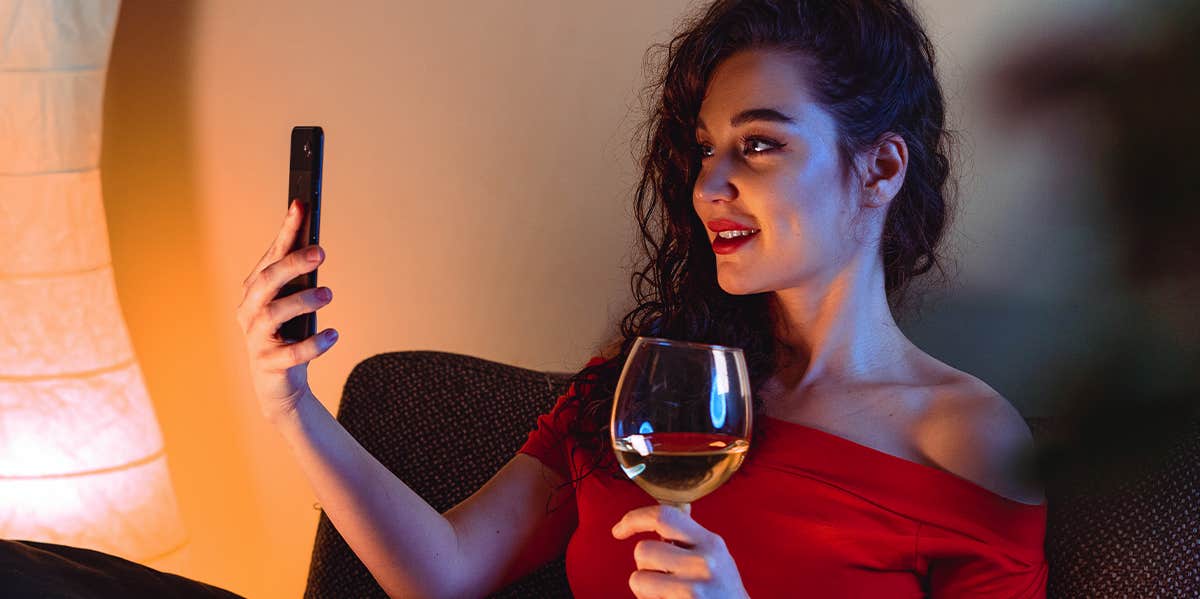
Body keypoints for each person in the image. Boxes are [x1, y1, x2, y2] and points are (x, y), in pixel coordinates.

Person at [236, 0, 1046, 597]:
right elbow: (443, 572)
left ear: (880, 168)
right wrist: (289, 404)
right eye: (705, 149)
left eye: (759, 144)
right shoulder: (646, 390)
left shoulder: (962, 438)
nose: (710, 185)